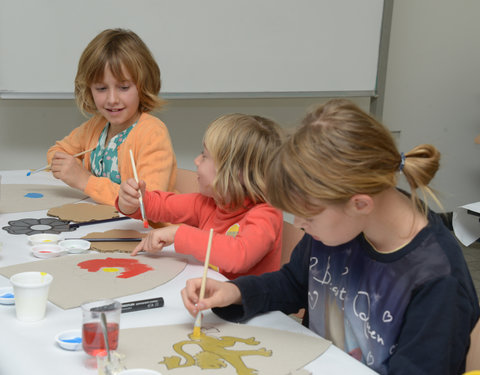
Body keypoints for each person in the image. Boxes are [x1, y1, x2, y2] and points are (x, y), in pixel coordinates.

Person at [181, 99, 480, 374]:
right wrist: (235, 292)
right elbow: (295, 283)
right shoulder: (342, 224)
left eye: (308, 217)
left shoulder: (438, 280)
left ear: (359, 204)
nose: (299, 224)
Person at [116, 113, 284, 279]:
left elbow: (239, 256)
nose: (196, 161)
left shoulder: (266, 214)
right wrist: (131, 202)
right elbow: (160, 205)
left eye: (204, 156)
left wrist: (178, 234)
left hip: (244, 305)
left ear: (236, 173)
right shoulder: (210, 202)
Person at [47, 28, 176, 206]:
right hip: (98, 223)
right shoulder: (96, 125)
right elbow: (57, 152)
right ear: (89, 89)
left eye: (123, 88)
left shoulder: (152, 133)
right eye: (101, 88)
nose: (112, 100)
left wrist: (85, 181)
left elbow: (146, 203)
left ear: (143, 86)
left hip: (143, 231)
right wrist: (67, 166)